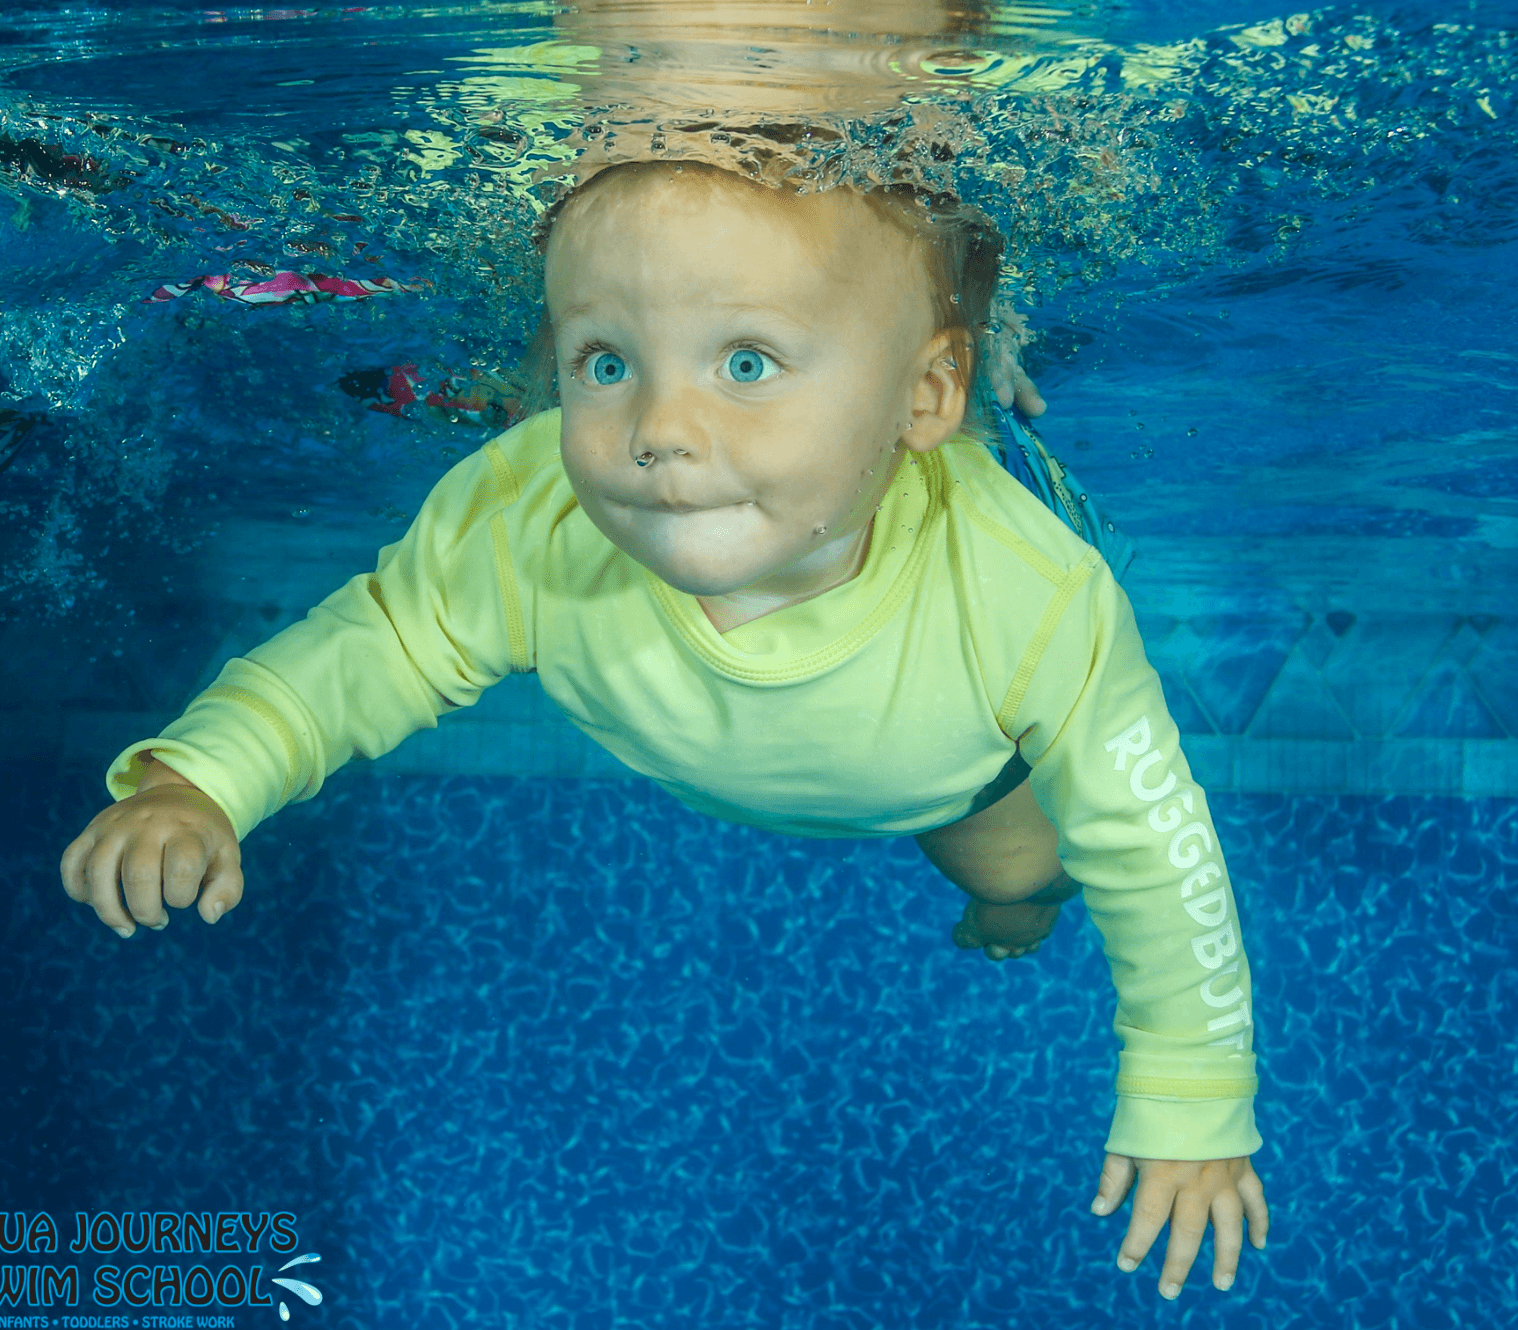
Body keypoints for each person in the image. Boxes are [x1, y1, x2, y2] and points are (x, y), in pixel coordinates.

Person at [60, 160, 1268, 1301]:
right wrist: (200, 779)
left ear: (918, 395)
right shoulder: (533, 513)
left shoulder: (1025, 593)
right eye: (603, 362)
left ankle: (1007, 899)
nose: (659, 428)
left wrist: (1191, 1092)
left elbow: (1153, 847)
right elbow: (371, 646)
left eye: (746, 361)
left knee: (1021, 869)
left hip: (953, 767)